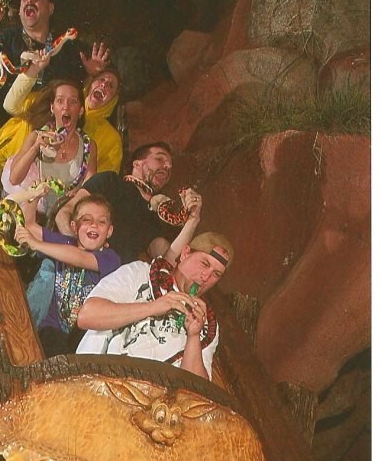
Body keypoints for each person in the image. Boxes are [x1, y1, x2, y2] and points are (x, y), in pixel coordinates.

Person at [76, 231, 234, 381]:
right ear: (185, 253)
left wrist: (193, 337)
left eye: (216, 274)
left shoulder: (206, 324)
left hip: (150, 398)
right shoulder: (140, 273)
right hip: (94, 383)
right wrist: (152, 307)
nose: (206, 277)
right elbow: (86, 316)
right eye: (204, 263)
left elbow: (196, 391)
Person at [0, 0, 109, 141]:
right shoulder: (6, 37)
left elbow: (77, 98)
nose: (29, 0)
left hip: (46, 139)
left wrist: (91, 74)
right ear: (20, 11)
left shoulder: (68, 49)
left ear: (50, 8)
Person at [14, 195, 121, 357]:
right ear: (74, 227)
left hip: (84, 336)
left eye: (101, 222)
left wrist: (38, 244)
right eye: (86, 219)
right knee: (48, 351)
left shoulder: (110, 258)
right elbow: (30, 226)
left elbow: (79, 258)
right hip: (52, 328)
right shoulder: (65, 242)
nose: (94, 225)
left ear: (109, 231)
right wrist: (35, 195)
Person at [54, 142, 181, 264]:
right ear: (137, 164)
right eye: (160, 159)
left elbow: (165, 256)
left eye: (170, 166)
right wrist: (79, 254)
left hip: (114, 277)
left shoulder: (156, 216)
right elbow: (64, 213)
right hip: (71, 266)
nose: (167, 166)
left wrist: (189, 220)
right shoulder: (110, 181)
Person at [0, 67, 123, 177]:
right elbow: (11, 106)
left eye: (110, 85)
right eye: (101, 79)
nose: (104, 85)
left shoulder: (109, 139)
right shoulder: (48, 101)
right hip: (5, 170)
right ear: (52, 107)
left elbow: (100, 181)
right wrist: (32, 70)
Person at [3, 80, 97, 217]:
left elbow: (89, 187)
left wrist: (77, 193)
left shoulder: (89, 146)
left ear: (81, 110)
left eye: (72, 102)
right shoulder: (35, 137)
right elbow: (14, 179)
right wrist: (35, 148)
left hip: (67, 211)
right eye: (60, 101)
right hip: (34, 210)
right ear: (52, 108)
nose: (66, 107)